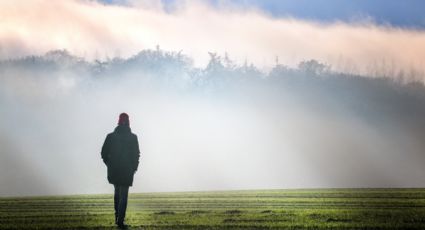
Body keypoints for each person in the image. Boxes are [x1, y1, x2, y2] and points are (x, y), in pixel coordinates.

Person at [101, 113, 140, 229]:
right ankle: (120, 221)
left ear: (118, 121)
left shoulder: (111, 136)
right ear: (128, 122)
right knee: (123, 196)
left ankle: (117, 217)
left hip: (114, 170)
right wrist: (134, 167)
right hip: (127, 170)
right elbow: (136, 154)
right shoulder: (133, 137)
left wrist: (109, 164)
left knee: (117, 193)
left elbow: (103, 153)